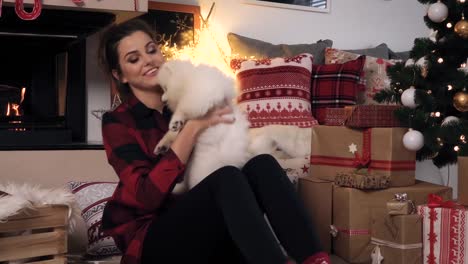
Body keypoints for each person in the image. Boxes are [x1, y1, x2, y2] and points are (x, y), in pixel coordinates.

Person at [98, 18, 330, 264]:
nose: (148, 60)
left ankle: (316, 260)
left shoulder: (189, 97)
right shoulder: (117, 122)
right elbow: (146, 197)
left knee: (263, 165)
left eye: (151, 49)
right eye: (134, 59)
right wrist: (193, 128)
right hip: (154, 238)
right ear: (119, 75)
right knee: (226, 177)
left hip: (208, 228)